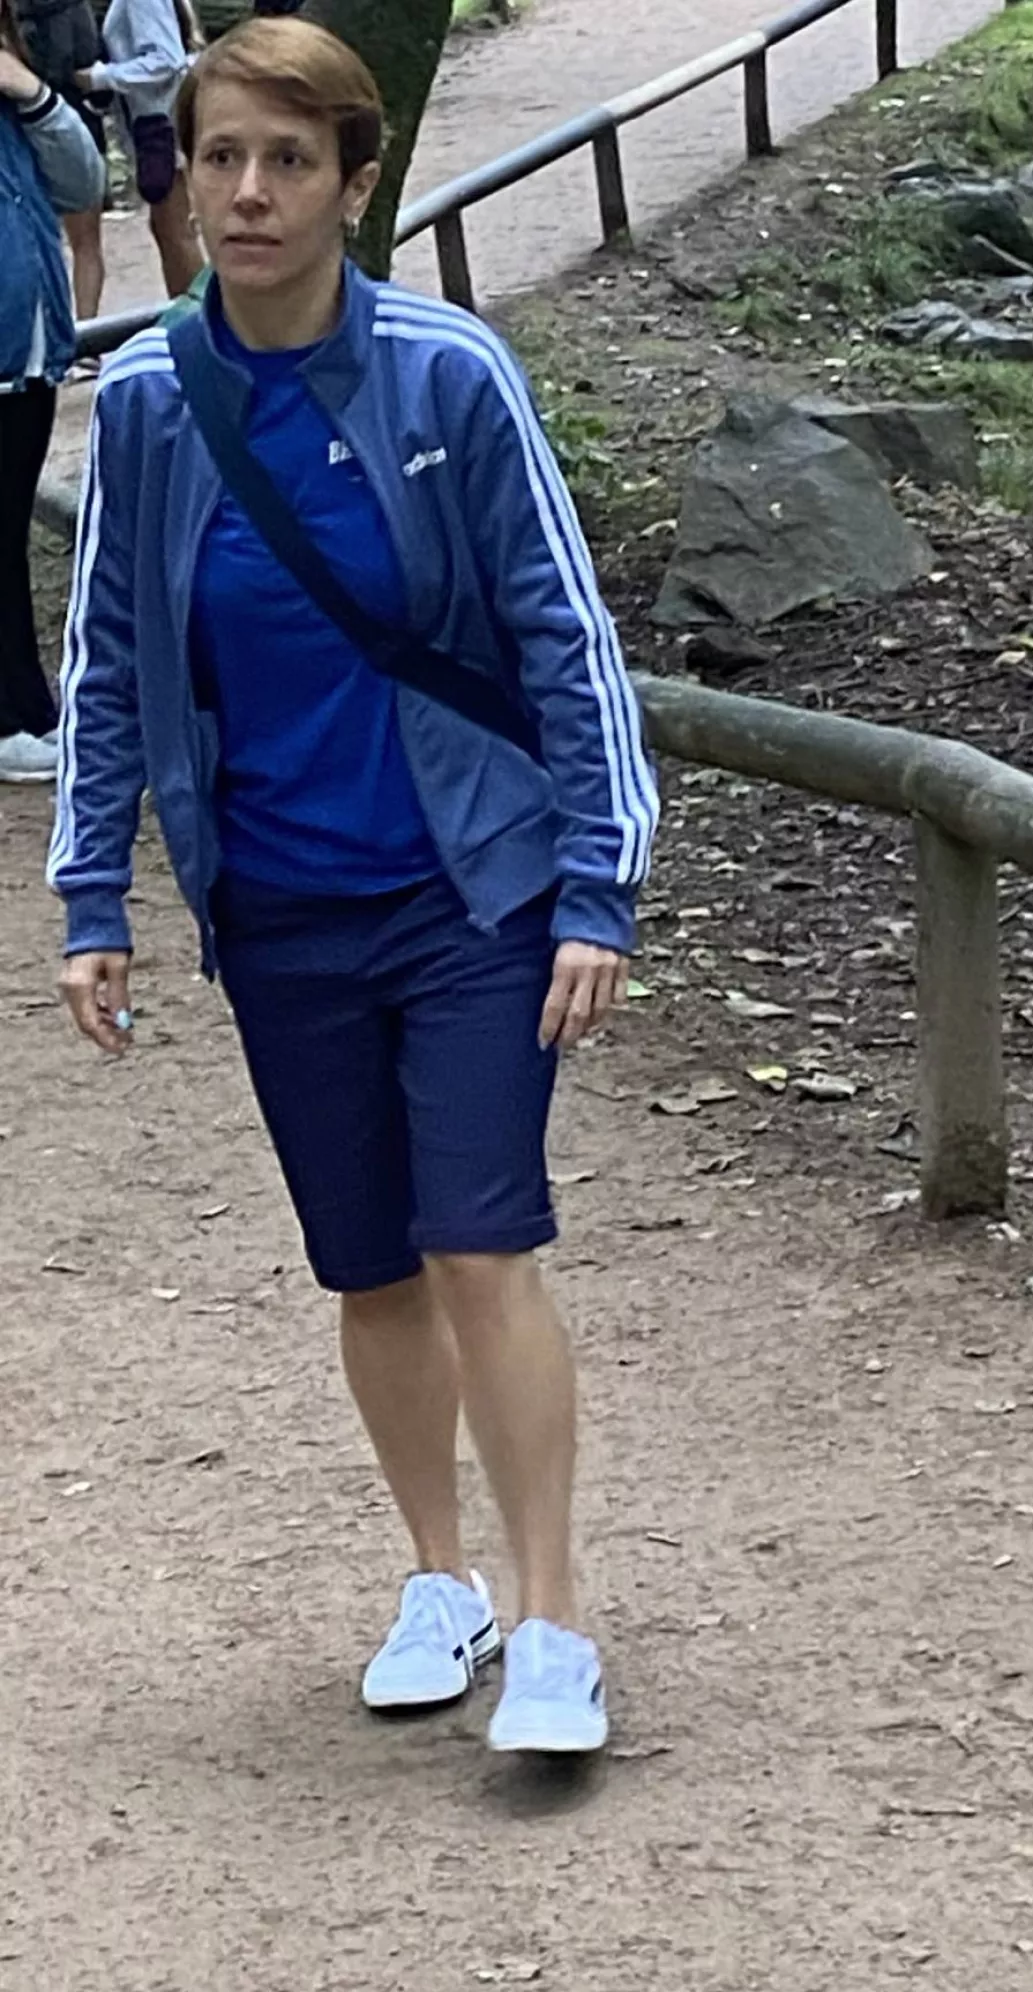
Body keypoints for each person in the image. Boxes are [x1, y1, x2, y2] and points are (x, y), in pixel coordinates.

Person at [50, 17, 658, 1757]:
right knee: (372, 1264)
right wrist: (94, 899)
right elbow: (110, 663)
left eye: (289, 161)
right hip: (278, 904)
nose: (248, 194)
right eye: (220, 158)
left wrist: (599, 884)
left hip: (470, 892)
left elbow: (563, 632)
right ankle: (438, 1581)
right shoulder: (151, 402)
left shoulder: (450, 377)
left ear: (353, 183)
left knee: (481, 1240)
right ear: (187, 178)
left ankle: (552, 1621)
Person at [0, 0, 104, 784]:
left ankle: (28, 709)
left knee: (6, 538)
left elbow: (84, 181)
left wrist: (30, 92)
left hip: (29, 358)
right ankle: (9, 718)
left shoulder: (15, 101)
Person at [76, 0, 204, 298]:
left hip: (160, 120)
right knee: (167, 226)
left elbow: (166, 60)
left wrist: (98, 77)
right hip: (160, 117)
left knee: (174, 228)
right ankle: (184, 307)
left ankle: (197, 311)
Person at [15, 0, 109, 318]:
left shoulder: (23, 17)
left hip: (33, 111)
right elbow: (91, 56)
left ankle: (70, 325)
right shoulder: (75, 9)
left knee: (47, 236)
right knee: (85, 243)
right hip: (75, 112)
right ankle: (85, 327)